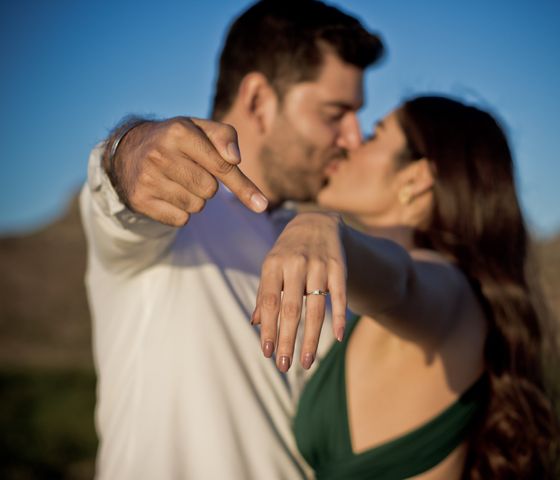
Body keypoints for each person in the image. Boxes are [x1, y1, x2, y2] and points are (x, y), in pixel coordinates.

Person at [80, 1, 383, 478]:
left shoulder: (318, 249)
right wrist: (133, 148)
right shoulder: (170, 218)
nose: (353, 137)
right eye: (335, 113)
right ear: (259, 100)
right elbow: (117, 191)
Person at [253, 96, 560, 479]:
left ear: (416, 179)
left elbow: (402, 281)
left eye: (373, 135)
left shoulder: (449, 289)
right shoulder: (367, 312)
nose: (350, 142)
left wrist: (320, 226)